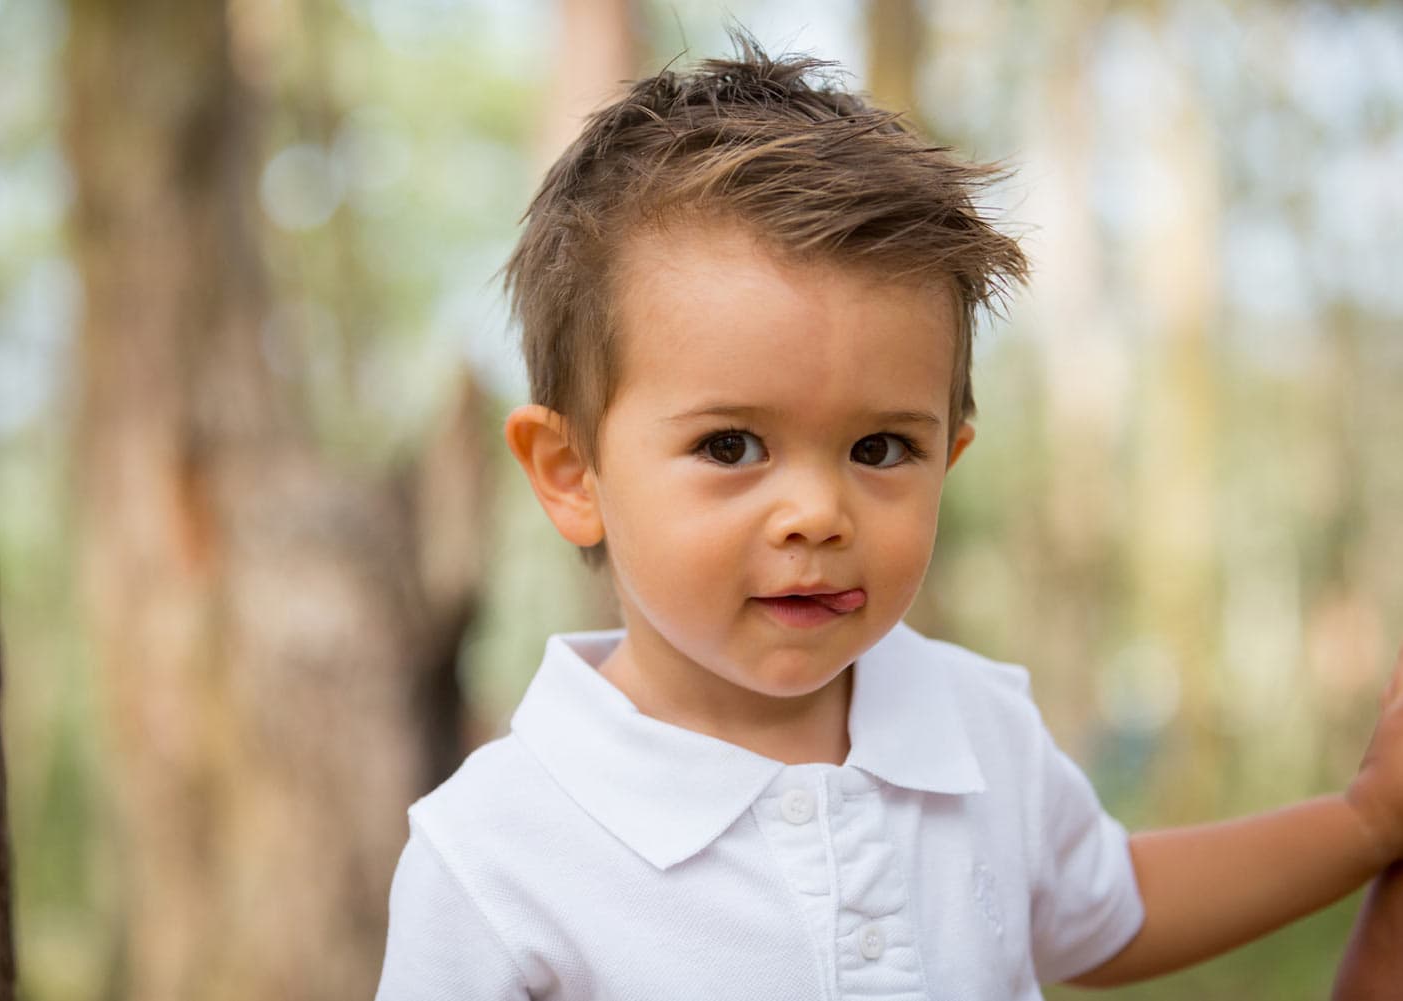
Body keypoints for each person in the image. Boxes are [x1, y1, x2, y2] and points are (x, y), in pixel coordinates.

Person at [374, 40, 1403, 1000]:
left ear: (948, 458)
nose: (818, 512)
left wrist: (1362, 823)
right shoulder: (495, 854)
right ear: (572, 473)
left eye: (880, 449)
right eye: (732, 445)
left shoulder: (973, 723)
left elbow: (1113, 907)